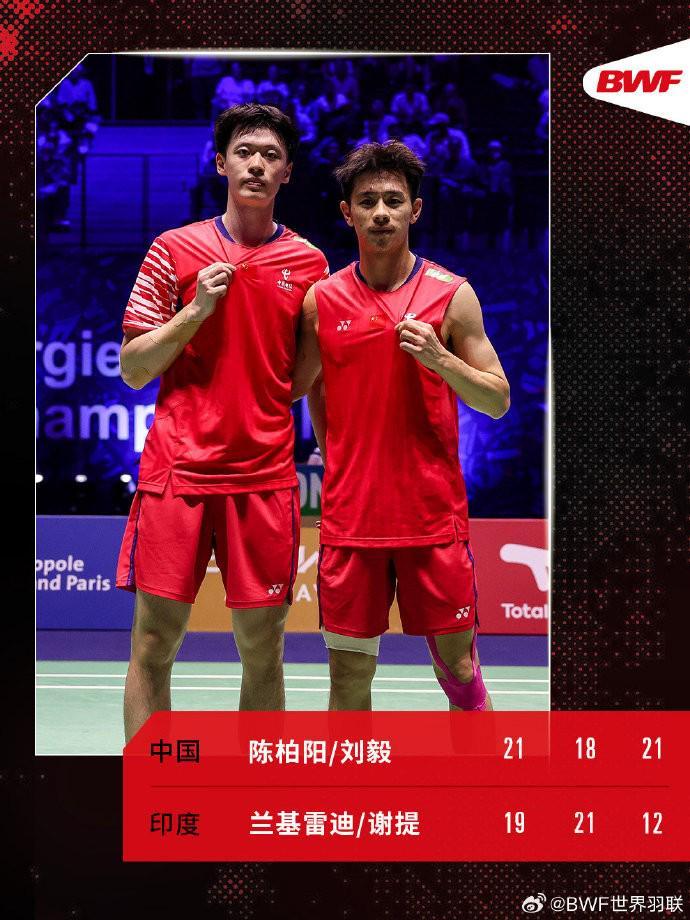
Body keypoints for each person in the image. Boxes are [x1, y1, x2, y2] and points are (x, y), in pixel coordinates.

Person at [116, 104, 329, 740]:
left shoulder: (310, 265)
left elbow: (299, 381)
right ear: (221, 164)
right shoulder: (173, 250)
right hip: (177, 474)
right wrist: (195, 311)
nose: (256, 164)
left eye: (270, 155)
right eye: (244, 152)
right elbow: (133, 368)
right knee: (154, 641)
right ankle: (152, 784)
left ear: (287, 172)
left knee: (262, 647)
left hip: (262, 479)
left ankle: (253, 790)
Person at [292, 141, 510, 712]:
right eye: (367, 202)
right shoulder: (321, 301)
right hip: (352, 523)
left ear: (416, 209)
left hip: (433, 521)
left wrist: (440, 358)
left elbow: (497, 399)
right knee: (348, 680)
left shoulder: (452, 295)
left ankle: (480, 770)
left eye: (394, 200)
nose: (381, 213)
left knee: (459, 671)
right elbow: (301, 386)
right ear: (348, 213)